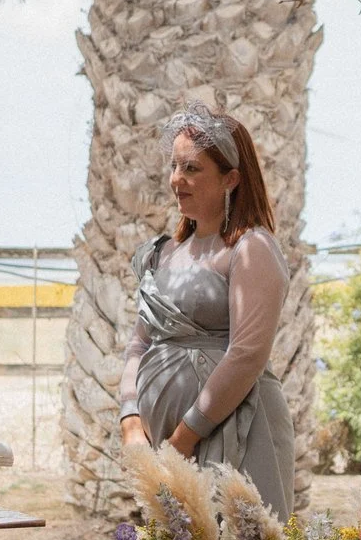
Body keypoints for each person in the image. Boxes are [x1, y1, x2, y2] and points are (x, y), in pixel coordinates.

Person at [117, 104, 296, 518]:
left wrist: (185, 437)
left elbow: (247, 354)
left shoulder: (251, 250)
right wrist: (130, 420)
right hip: (164, 439)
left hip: (238, 430)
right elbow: (138, 343)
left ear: (231, 178)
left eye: (193, 169)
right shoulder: (162, 253)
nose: (177, 180)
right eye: (175, 166)